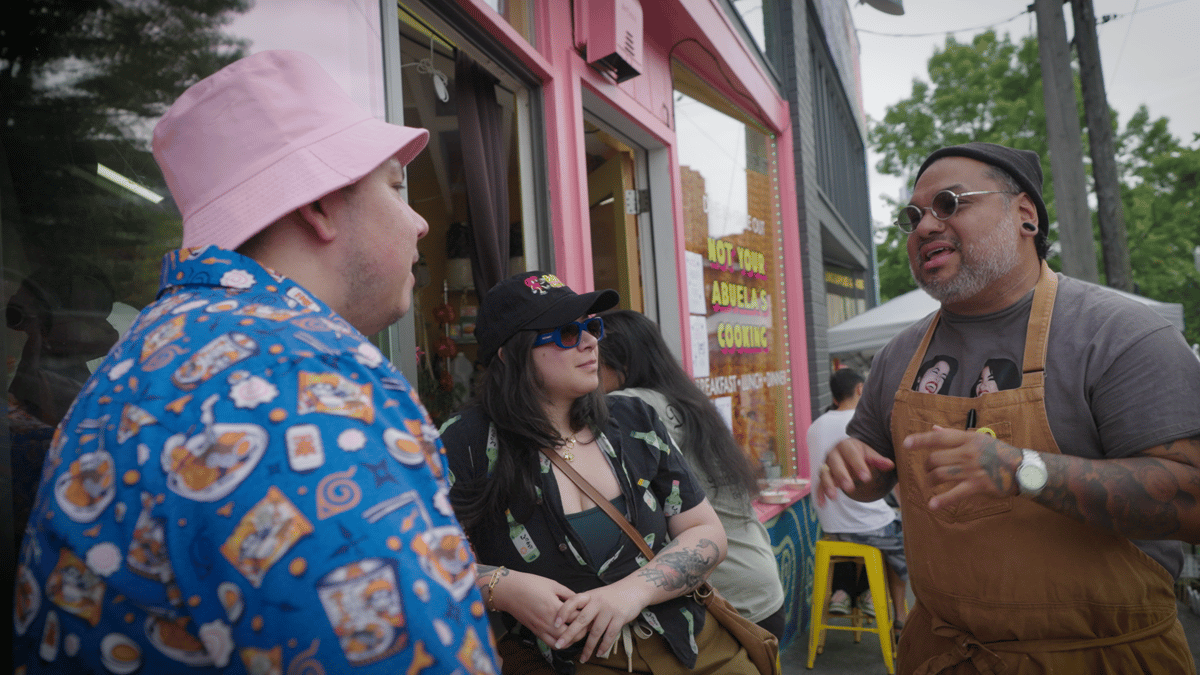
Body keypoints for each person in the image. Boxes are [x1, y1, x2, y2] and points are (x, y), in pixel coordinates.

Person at [13, 50, 499, 674]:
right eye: (396, 187)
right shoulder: (298, 386)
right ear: (320, 205)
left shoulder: (148, 354)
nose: (421, 223)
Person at [817, 141, 1200, 674]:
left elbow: (1192, 500)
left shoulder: (1118, 335)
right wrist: (855, 469)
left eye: (949, 203)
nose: (924, 226)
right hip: (942, 654)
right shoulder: (898, 356)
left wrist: (1025, 470)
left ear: (1025, 215)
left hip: (1099, 657)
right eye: (914, 215)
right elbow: (874, 472)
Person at [441, 272, 758, 674]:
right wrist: (501, 586)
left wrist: (631, 593)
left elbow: (705, 531)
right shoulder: (466, 442)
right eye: (567, 333)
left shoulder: (633, 419)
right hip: (569, 661)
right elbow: (421, 558)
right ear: (509, 354)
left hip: (693, 649)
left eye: (591, 327)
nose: (590, 341)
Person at [596, 309, 786, 638]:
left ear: (621, 363)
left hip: (726, 601)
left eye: (594, 361)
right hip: (759, 582)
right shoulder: (687, 400)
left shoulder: (629, 407)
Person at [806, 368, 908, 628]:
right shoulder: (864, 423)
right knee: (904, 539)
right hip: (866, 526)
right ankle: (899, 616)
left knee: (877, 537)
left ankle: (850, 594)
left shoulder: (814, 427)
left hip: (830, 527)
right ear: (861, 389)